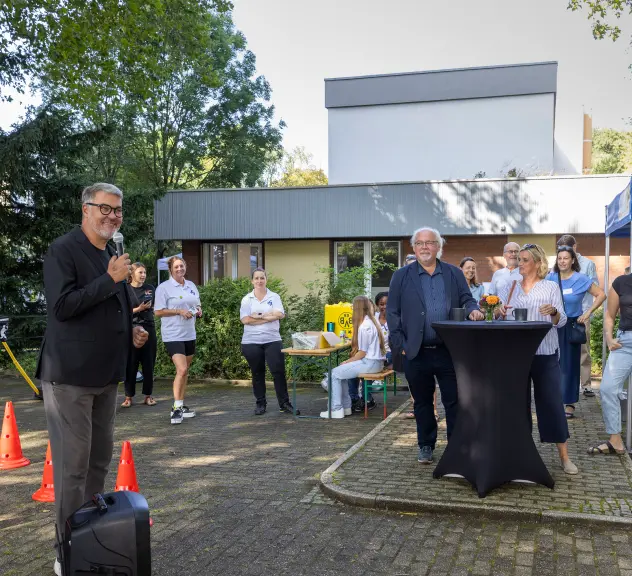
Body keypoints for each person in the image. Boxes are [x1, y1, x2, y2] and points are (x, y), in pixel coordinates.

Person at [35, 182, 149, 576]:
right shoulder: (62, 250)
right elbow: (63, 307)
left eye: (117, 210)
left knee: (99, 461)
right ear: (86, 209)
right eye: (105, 208)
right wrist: (112, 279)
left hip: (105, 376)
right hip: (69, 377)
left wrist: (130, 330)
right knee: (72, 468)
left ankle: (90, 539)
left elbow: (110, 308)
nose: (112, 216)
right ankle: (66, 552)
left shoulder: (111, 253)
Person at [387, 227, 484, 464]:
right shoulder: (401, 276)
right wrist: (400, 344)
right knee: (422, 403)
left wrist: (473, 310)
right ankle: (426, 445)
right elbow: (392, 312)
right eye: (419, 243)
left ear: (438, 246)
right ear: (414, 247)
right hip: (416, 351)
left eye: (429, 242)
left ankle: (457, 445)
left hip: (449, 350)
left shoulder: (453, 273)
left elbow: (467, 299)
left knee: (454, 401)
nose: (424, 247)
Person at [496, 243, 578, 475]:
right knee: (516, 406)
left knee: (552, 404)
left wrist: (553, 312)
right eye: (518, 259)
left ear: (537, 263)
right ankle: (519, 453)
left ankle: (564, 457)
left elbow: (561, 321)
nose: (519, 263)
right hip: (516, 356)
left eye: (524, 260)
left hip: (545, 354)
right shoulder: (509, 287)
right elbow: (498, 316)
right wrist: (499, 312)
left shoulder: (550, 287)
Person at [546, 246, 605, 418]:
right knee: (551, 364)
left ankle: (569, 403)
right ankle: (553, 400)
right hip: (553, 325)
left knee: (570, 366)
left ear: (573, 260)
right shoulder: (550, 278)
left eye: (566, 258)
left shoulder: (580, 279)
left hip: (571, 326)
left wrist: (587, 313)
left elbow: (601, 294)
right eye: (560, 258)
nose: (562, 261)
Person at [240, 267, 298, 415]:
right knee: (257, 373)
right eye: (257, 278)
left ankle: (284, 403)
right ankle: (260, 404)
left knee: (278, 371)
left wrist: (258, 317)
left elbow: (280, 314)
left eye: (262, 278)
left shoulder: (274, 297)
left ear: (266, 279)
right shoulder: (247, 299)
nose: (259, 281)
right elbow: (245, 320)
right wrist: (268, 316)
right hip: (251, 341)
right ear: (252, 281)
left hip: (272, 339)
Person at [587, 271, 632, 455]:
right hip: (625, 342)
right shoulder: (621, 282)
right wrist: (608, 338)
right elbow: (609, 315)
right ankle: (615, 441)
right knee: (607, 388)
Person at [154, 256, 201, 425]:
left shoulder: (191, 286)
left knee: (185, 370)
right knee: (181, 370)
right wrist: (179, 312)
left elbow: (197, 304)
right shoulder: (163, 288)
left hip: (189, 333)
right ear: (171, 270)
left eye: (182, 265)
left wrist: (198, 311)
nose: (179, 269)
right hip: (173, 334)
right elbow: (158, 311)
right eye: (176, 267)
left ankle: (181, 404)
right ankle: (176, 408)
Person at [322, 295, 386, 418]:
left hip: (370, 363)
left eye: (353, 307)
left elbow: (362, 352)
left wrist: (348, 361)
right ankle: (345, 408)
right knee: (340, 374)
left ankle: (336, 409)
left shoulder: (364, 326)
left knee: (333, 374)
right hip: (375, 362)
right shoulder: (371, 322)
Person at [557, 234, 599, 398]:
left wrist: (587, 312)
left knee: (582, 352)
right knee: (562, 357)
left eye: (569, 247)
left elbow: (596, 289)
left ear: (575, 247)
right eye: (560, 250)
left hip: (580, 316)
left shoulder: (588, 264)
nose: (563, 259)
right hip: (560, 320)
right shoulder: (555, 271)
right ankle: (562, 391)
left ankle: (586, 385)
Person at [122, 263, 158, 407]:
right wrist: (139, 308)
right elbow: (124, 311)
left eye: (144, 272)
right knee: (131, 363)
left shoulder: (150, 289)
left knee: (149, 363)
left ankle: (148, 396)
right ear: (132, 274)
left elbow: (155, 306)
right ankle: (128, 397)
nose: (143, 275)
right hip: (131, 329)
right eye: (140, 272)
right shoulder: (125, 289)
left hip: (148, 328)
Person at [348, 292, 391, 413]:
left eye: (387, 304)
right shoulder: (372, 319)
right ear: (377, 305)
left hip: (388, 354)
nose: (384, 307)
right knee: (352, 368)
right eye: (381, 304)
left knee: (367, 364)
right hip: (371, 354)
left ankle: (367, 399)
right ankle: (354, 399)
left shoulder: (395, 319)